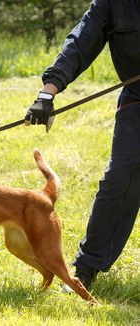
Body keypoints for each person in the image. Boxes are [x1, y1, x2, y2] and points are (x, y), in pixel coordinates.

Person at [25, 0, 140, 291]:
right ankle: (86, 268)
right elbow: (81, 41)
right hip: (138, 99)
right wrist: (47, 94)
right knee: (119, 178)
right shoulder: (111, 4)